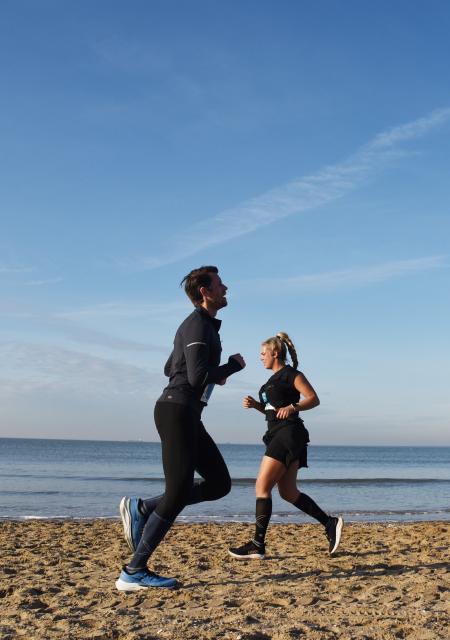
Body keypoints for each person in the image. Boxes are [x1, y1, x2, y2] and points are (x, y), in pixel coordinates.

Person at [115, 266, 245, 591]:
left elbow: (169, 367)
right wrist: (231, 366)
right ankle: (133, 571)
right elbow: (197, 376)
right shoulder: (198, 324)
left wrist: (210, 369)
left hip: (187, 413)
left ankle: (143, 507)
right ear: (205, 291)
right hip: (177, 412)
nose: (225, 287)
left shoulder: (202, 327)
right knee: (177, 493)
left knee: (219, 484)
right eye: (219, 284)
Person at [228, 332, 343, 560]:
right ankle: (329, 523)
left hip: (288, 434)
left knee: (261, 487)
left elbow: (313, 398)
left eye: (263, 354)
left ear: (275, 353)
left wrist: (293, 407)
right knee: (288, 492)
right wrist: (256, 406)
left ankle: (257, 545)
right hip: (279, 434)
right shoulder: (270, 381)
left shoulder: (291, 374)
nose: (260, 358)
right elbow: (273, 409)